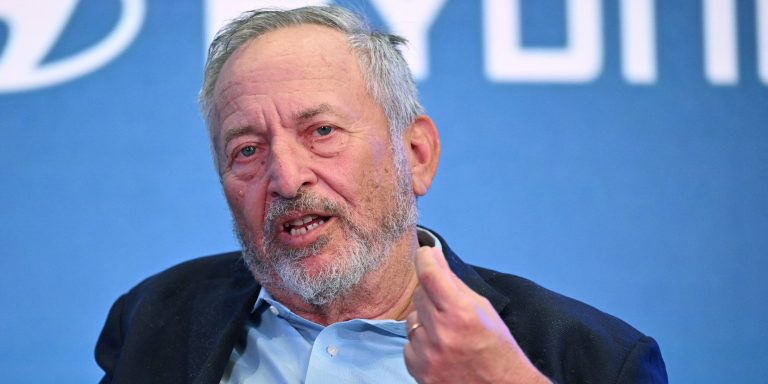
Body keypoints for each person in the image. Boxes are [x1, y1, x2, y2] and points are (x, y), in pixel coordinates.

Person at [95, 6, 668, 383]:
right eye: (247, 149)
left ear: (415, 154)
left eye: (321, 131)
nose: (286, 178)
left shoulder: (590, 358)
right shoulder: (156, 319)